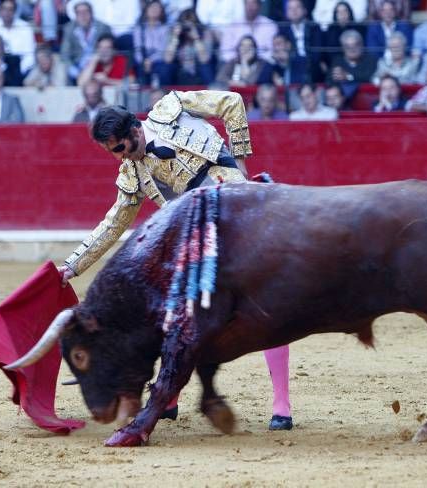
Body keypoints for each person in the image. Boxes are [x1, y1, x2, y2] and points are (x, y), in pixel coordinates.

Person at [56, 90, 295, 431]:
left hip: (241, 214)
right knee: (173, 312)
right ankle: (168, 399)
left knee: (268, 305)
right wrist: (73, 265)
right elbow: (112, 226)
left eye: (120, 148)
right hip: (199, 241)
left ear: (135, 131)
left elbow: (231, 103)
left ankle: (282, 404)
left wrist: (240, 162)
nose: (119, 158)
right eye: (112, 153)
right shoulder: (132, 174)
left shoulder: (173, 108)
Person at [60, 0, 112, 83]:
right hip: (76, 68)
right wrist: (76, 73)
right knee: (63, 70)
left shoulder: (103, 28)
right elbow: (65, 54)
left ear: (91, 13)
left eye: (85, 11)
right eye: (79, 13)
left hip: (97, 66)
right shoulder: (69, 28)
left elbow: (108, 51)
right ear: (75, 15)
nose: (83, 15)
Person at [0, 0, 37, 73]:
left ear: (15, 11)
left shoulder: (26, 28)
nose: (6, 13)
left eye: (10, 9)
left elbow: (30, 55)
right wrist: (1, 68)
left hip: (20, 69)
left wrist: (19, 70)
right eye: (4, 9)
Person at [163, 8, 215, 85]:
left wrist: (196, 39)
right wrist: (175, 37)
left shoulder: (205, 33)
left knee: (206, 67)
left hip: (198, 70)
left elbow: (204, 59)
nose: (187, 29)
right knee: (166, 68)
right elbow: (168, 59)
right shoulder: (173, 34)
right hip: (180, 70)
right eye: (184, 25)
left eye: (191, 25)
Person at [278, 0, 325, 83]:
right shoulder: (282, 30)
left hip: (312, 67)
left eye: (297, 7)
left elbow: (317, 54)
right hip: (291, 67)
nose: (294, 11)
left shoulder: (314, 28)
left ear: (304, 10)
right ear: (287, 13)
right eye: (290, 8)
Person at [132, 0, 171, 86]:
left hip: (158, 61)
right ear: (146, 10)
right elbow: (137, 49)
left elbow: (162, 50)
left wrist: (150, 61)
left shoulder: (165, 29)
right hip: (142, 60)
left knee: (164, 69)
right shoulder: (139, 28)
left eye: (157, 8)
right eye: (152, 7)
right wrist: (143, 61)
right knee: (137, 67)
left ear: (161, 12)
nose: (154, 9)